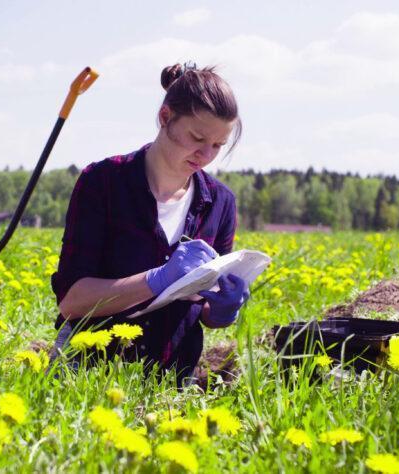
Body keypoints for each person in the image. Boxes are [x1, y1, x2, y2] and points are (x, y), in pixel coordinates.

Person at [50, 62, 250, 385]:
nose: (205, 154)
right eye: (197, 137)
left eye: (217, 145)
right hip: (87, 377)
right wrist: (157, 279)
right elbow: (73, 301)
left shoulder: (220, 203)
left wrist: (223, 309)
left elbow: (204, 308)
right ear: (165, 117)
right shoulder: (102, 183)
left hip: (172, 382)